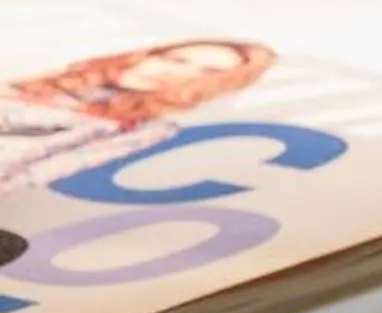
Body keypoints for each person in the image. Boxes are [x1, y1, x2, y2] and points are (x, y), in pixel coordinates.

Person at [0, 39, 278, 196]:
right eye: (177, 60)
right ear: (146, 56)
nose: (173, 72)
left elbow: (39, 171)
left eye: (203, 72)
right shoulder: (45, 79)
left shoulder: (142, 126)